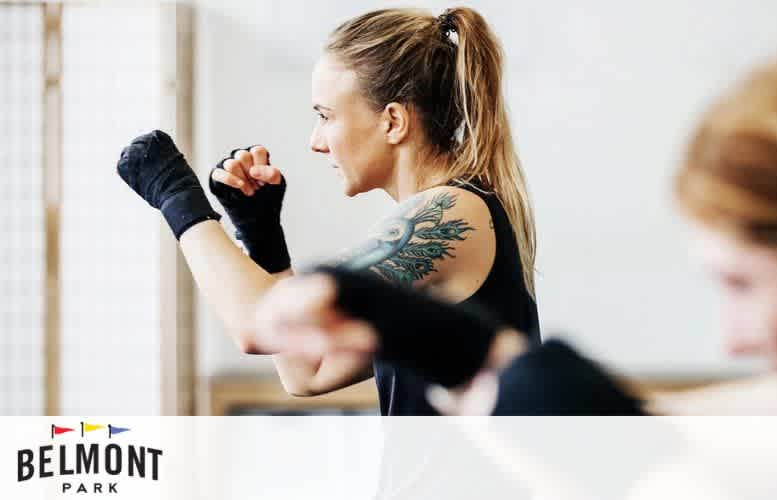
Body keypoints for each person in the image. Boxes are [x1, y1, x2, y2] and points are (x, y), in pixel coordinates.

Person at [242, 37, 777, 417]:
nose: (732, 338)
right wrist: (471, 353)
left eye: (744, 285)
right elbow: (678, 424)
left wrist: (182, 205)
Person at [115, 6, 540, 416]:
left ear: (393, 122)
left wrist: (174, 193)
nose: (316, 141)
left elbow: (256, 325)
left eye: (326, 116)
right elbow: (307, 373)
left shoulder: (451, 212)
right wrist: (263, 238)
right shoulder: (456, 210)